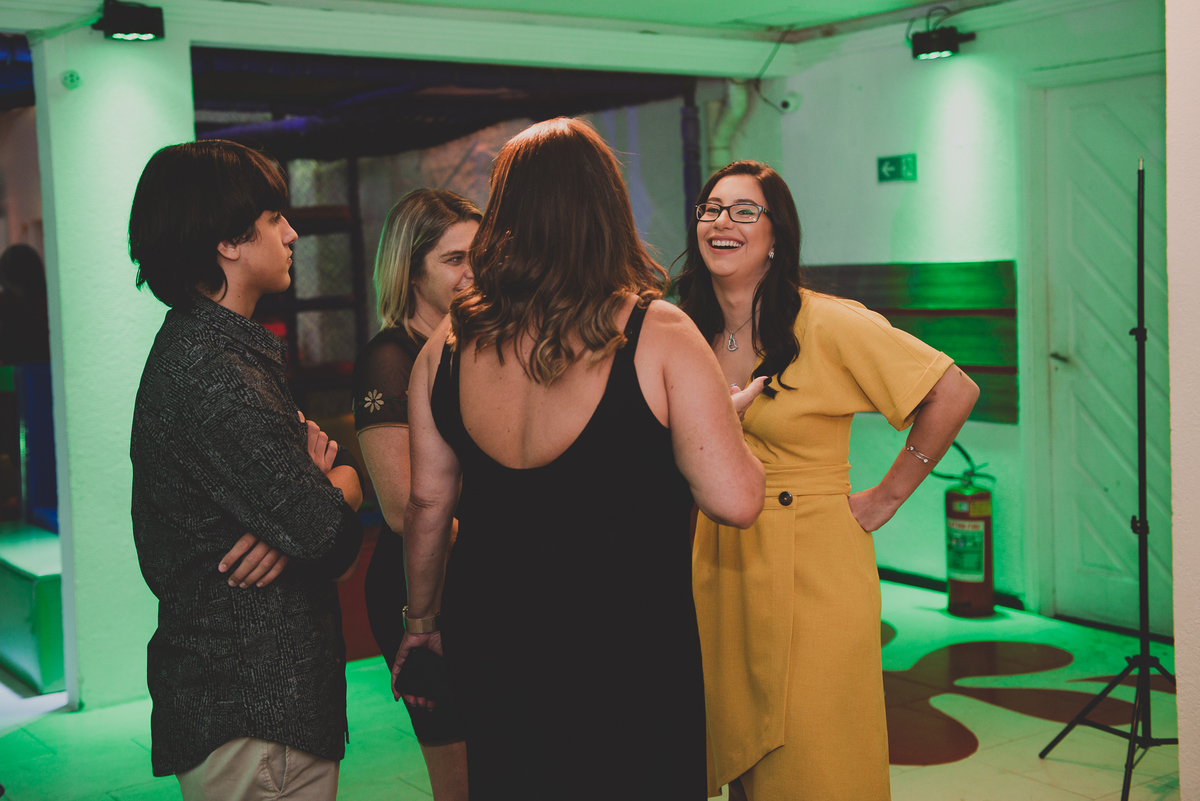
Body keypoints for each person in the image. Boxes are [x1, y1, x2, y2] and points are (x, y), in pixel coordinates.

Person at [393, 118, 766, 800]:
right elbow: (736, 500)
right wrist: (724, 423)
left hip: (495, 633)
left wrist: (421, 623)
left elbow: (426, 504)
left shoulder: (446, 343)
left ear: (504, 214)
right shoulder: (658, 330)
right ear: (608, 209)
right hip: (624, 643)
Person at [679, 161, 980, 800]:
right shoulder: (686, 332)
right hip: (719, 556)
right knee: (738, 749)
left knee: (816, 753)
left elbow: (953, 391)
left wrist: (888, 497)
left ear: (776, 236)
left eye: (744, 211)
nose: (722, 222)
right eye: (711, 209)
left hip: (813, 561)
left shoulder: (828, 322)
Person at [129, 140, 365, 800]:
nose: (291, 233)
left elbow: (323, 506)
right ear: (228, 241)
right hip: (256, 713)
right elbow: (333, 540)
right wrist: (320, 499)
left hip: (248, 708)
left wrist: (305, 510)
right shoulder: (216, 375)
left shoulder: (213, 348)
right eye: (272, 218)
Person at [351, 188, 480, 801]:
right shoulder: (390, 359)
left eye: (481, 255)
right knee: (461, 773)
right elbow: (407, 508)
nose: (473, 272)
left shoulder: (480, 346)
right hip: (421, 587)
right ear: (411, 271)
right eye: (454, 260)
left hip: (481, 576)